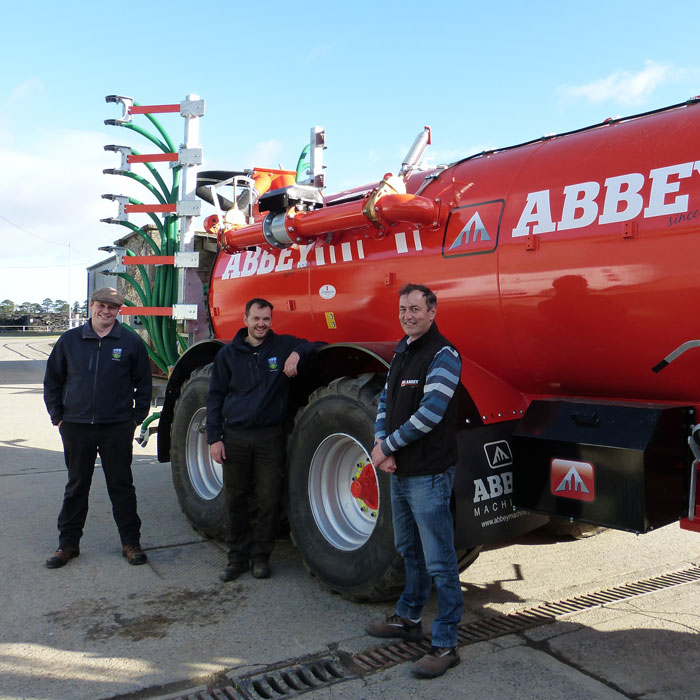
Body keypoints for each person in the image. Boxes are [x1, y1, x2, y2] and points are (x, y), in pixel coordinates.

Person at [367, 283, 463, 679]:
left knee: (440, 560)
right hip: (401, 471)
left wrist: (386, 446)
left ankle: (446, 643)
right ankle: (409, 618)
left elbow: (431, 414)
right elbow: (386, 402)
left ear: (432, 312)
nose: (408, 315)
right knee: (409, 548)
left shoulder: (444, 355)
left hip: (428, 474)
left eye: (416, 309)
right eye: (403, 308)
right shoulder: (402, 351)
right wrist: (380, 442)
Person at [206, 298, 322, 582]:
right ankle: (236, 559)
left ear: (272, 321)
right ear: (245, 318)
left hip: (269, 437)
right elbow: (215, 398)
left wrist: (296, 353)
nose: (261, 325)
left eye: (266, 320)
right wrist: (214, 439)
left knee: (268, 499)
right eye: (256, 319)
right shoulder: (228, 355)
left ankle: (261, 558)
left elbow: (316, 344)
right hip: (235, 436)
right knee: (236, 499)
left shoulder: (280, 346)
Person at [43, 287, 152, 569]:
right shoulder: (70, 340)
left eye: (113, 307)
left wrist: (135, 418)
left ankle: (131, 543)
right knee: (77, 486)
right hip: (77, 427)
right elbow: (53, 381)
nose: (107, 311)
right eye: (102, 305)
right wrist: (58, 417)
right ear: (91, 305)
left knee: (121, 485)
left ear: (119, 311)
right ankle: (67, 545)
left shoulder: (130, 342)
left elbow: (145, 383)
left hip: (116, 427)